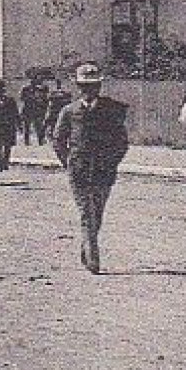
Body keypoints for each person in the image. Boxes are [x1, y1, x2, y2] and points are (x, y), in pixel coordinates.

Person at [52, 63, 129, 274]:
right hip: (79, 171)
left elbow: (121, 142)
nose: (89, 91)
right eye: (85, 87)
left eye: (93, 86)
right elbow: (58, 140)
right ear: (78, 88)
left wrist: (112, 161)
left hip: (104, 171)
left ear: (99, 87)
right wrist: (68, 162)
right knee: (87, 212)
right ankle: (93, 255)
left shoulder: (111, 110)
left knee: (98, 213)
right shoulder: (69, 112)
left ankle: (86, 245)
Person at [20, 79, 49, 146]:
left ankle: (40, 140)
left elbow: (44, 100)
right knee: (27, 126)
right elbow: (22, 98)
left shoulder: (39, 90)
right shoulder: (26, 89)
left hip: (36, 110)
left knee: (38, 126)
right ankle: (27, 141)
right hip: (28, 110)